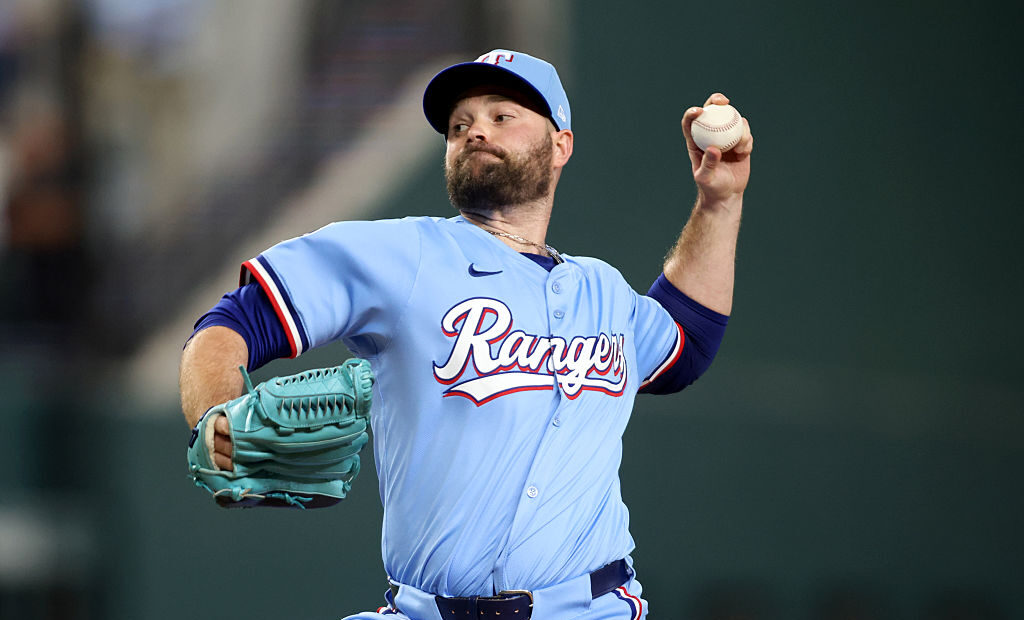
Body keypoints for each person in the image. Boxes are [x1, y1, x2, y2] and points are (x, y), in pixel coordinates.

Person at [179, 49, 753, 620]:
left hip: (590, 607)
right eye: (459, 125)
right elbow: (230, 325)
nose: (475, 131)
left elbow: (687, 341)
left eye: (502, 116)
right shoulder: (403, 254)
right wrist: (220, 425)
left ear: (560, 145)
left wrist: (720, 201)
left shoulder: (601, 290)